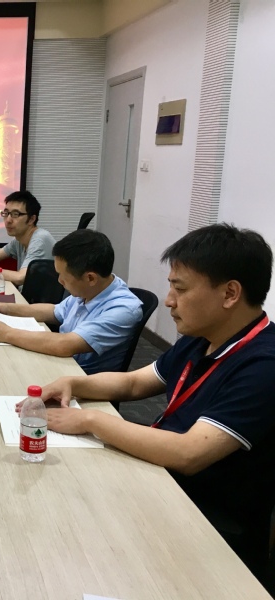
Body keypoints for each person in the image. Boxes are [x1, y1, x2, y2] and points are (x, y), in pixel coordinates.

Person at [27, 224, 275, 576]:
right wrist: (73, 383)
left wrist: (90, 420)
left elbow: (189, 454)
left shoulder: (263, 364)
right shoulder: (203, 336)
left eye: (180, 288)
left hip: (206, 520)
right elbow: (133, 384)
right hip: (161, 476)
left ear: (230, 293)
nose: (169, 300)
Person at [0, 229, 142, 373]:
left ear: (90, 278)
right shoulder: (92, 289)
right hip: (61, 363)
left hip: (81, 378)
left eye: (63, 276)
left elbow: (65, 345)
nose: (59, 281)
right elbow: (54, 311)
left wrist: (7, 333)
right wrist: (7, 308)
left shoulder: (123, 310)